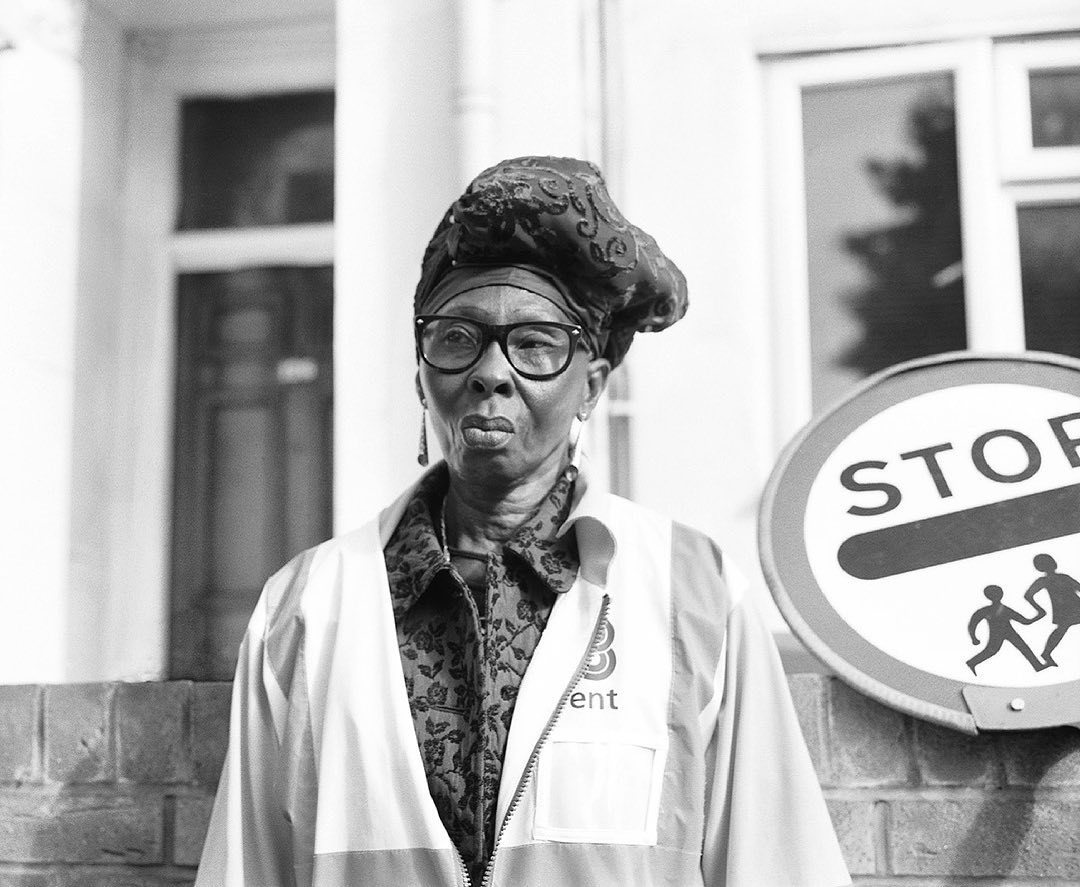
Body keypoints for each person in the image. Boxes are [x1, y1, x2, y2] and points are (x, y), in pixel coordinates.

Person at [195, 156, 849, 886]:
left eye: (536, 343)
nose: (491, 371)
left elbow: (780, 863)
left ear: (591, 387)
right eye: (456, 336)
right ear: (423, 377)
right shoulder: (306, 609)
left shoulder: (693, 593)